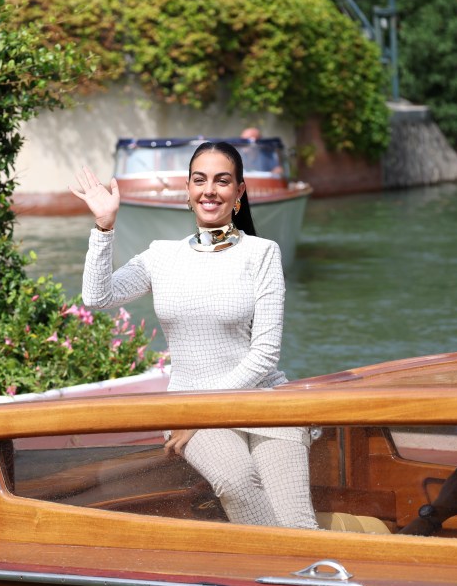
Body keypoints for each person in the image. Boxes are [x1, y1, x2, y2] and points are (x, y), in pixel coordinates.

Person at [69, 141, 318, 530]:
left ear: (239, 193)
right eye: (199, 180)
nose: (209, 190)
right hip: (189, 408)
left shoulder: (263, 253)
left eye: (222, 181)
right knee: (238, 485)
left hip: (263, 402)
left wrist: (204, 411)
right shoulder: (161, 256)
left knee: (297, 523)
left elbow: (265, 355)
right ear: (187, 190)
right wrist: (104, 226)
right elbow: (97, 297)